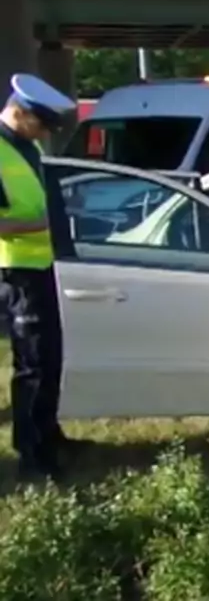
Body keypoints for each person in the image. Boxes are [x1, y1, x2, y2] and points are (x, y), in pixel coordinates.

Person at [0, 74, 78, 479]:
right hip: (14, 270)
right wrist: (29, 228)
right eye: (42, 124)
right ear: (20, 112)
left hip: (39, 265)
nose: (45, 134)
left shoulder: (24, 146)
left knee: (49, 356)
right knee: (31, 363)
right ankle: (32, 454)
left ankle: (48, 433)